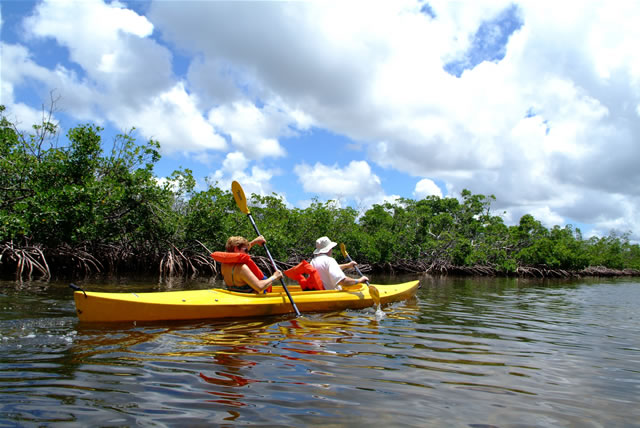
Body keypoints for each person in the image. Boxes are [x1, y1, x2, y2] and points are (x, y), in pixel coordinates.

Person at [218, 235, 282, 294]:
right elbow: (259, 287)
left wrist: (255, 241)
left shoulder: (224, 264)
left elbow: (240, 252)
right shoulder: (242, 268)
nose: (248, 253)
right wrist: (274, 277)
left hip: (236, 295)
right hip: (250, 299)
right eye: (246, 250)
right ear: (236, 249)